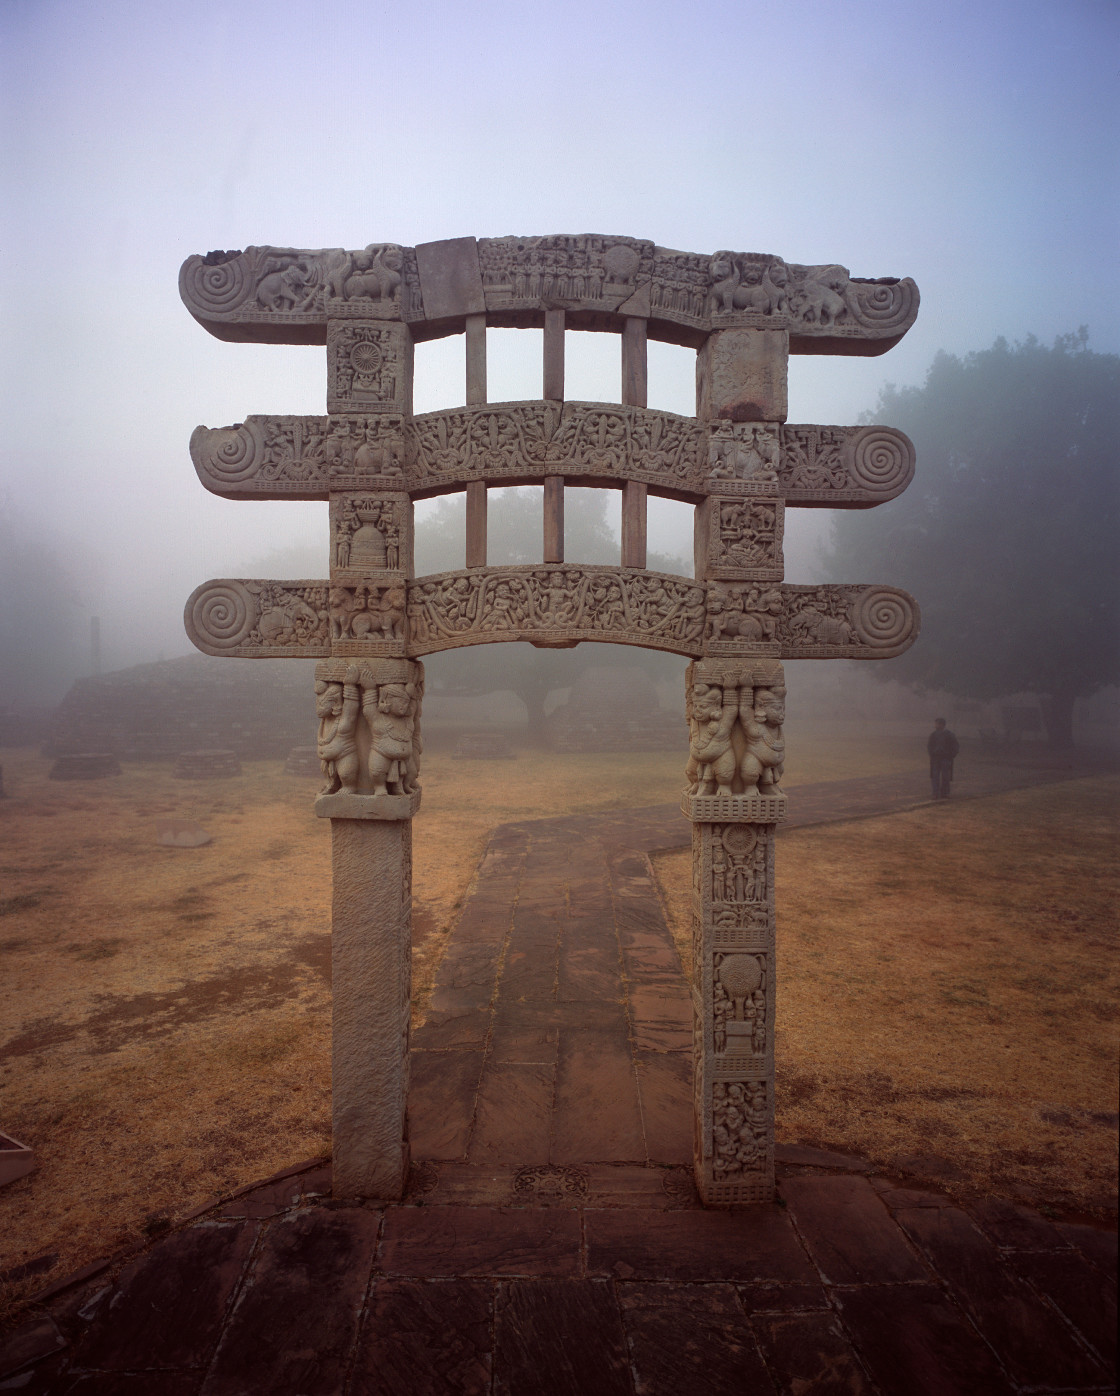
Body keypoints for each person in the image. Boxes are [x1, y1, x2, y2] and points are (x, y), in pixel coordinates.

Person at [927, 718, 960, 799]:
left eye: (937, 724)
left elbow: (955, 746)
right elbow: (929, 746)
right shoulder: (934, 735)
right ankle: (936, 793)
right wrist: (932, 754)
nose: (935, 726)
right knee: (936, 776)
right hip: (936, 758)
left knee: (945, 776)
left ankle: (944, 793)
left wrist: (950, 756)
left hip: (945, 758)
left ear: (941, 725)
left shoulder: (949, 735)